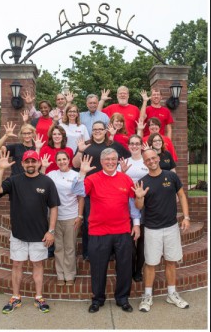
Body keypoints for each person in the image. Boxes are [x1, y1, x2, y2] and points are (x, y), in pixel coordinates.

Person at [0, 149, 60, 314]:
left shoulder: (47, 182)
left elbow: (54, 207)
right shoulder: (14, 181)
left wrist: (51, 231)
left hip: (39, 235)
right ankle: (15, 297)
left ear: (38, 163)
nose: (30, 164)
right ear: (22, 164)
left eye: (33, 161)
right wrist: (1, 169)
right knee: (16, 264)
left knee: (38, 265)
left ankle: (39, 297)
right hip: (18, 234)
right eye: (27, 161)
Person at [72, 149, 141, 313]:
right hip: (98, 232)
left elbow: (133, 204)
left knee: (124, 267)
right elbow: (77, 191)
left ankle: (122, 298)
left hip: (123, 230)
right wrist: (82, 172)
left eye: (113, 159)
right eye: (107, 159)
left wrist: (136, 224)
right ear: (101, 162)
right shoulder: (92, 179)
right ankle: (97, 299)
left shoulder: (126, 179)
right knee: (98, 267)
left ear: (117, 161)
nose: (110, 162)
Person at [132, 149, 191, 312]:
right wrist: (139, 197)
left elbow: (181, 195)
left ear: (158, 158)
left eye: (153, 158)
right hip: (152, 229)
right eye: (147, 160)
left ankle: (172, 294)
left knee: (171, 261)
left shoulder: (171, 176)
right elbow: (139, 207)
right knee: (150, 263)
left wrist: (186, 217)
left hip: (171, 227)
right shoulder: (142, 182)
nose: (151, 161)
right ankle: (147, 296)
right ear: (144, 163)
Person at [72, 121, 130, 260]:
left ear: (105, 131)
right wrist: (80, 150)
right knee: (88, 221)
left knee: (110, 221)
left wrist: (121, 171)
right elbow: (75, 164)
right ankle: (88, 252)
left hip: (111, 189)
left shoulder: (112, 145)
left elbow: (127, 157)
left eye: (100, 129)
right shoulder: (85, 144)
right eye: (94, 129)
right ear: (92, 131)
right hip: (90, 189)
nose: (97, 131)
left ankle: (110, 252)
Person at [41, 151, 84, 286]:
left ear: (69, 160)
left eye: (64, 159)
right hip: (55, 218)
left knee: (70, 247)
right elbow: (39, 183)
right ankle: (60, 274)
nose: (62, 162)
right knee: (59, 248)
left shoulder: (75, 175)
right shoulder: (52, 175)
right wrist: (43, 167)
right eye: (59, 160)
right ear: (56, 161)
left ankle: (70, 275)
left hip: (71, 216)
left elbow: (81, 197)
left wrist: (80, 215)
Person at [117, 134, 148, 283]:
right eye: (132, 144)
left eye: (137, 143)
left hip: (146, 204)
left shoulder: (146, 161)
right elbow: (116, 182)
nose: (134, 146)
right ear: (128, 146)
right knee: (129, 241)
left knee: (142, 241)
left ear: (141, 145)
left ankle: (138, 271)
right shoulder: (124, 162)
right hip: (126, 206)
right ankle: (129, 267)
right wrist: (122, 173)